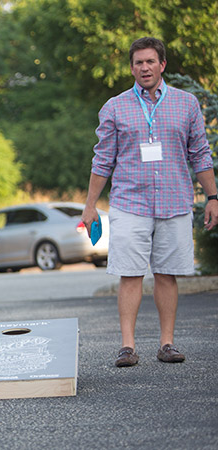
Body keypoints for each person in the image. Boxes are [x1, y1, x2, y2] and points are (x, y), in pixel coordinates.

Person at [82, 37, 218, 368]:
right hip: (131, 203)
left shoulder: (186, 104)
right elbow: (103, 161)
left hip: (175, 201)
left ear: (162, 65)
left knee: (167, 274)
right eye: (138, 62)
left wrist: (213, 197)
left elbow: (199, 153)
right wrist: (89, 206)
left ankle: (167, 343)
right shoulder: (114, 107)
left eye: (150, 61)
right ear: (132, 68)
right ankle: (127, 347)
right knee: (129, 274)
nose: (144, 67)